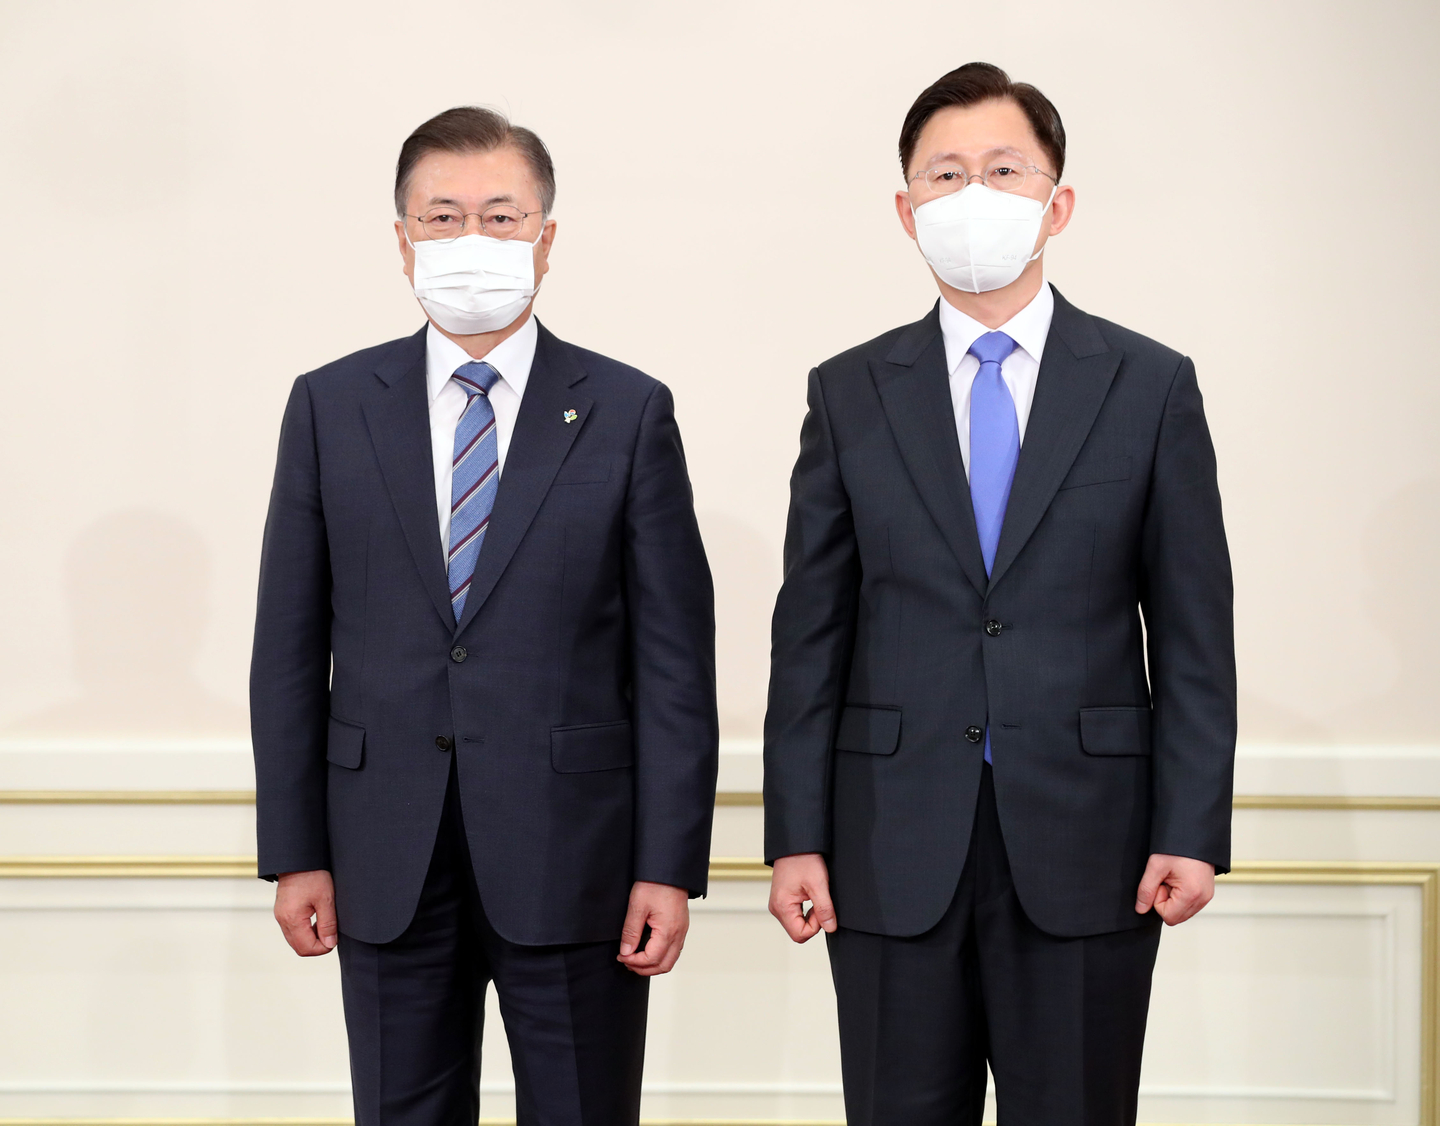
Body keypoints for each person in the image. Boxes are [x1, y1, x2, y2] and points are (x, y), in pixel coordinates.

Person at [763, 63, 1235, 1125]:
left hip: (1093, 841)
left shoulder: (1149, 385)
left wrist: (1193, 825)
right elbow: (811, 633)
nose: (972, 194)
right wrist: (796, 831)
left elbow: (1196, 627)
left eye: (1003, 169)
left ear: (1057, 201)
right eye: (946, 174)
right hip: (887, 842)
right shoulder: (848, 392)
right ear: (906, 210)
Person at [250, 106, 718, 1126]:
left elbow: (675, 661)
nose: (473, 242)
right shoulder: (330, 406)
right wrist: (296, 849)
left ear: (546, 240)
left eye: (501, 218)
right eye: (444, 216)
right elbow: (287, 649)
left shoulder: (628, 410)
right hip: (382, 853)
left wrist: (668, 865)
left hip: (579, 854)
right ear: (402, 239)